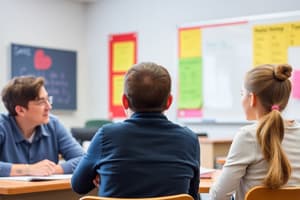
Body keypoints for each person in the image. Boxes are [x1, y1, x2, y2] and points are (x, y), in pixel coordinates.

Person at [71, 62, 200, 200]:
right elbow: (191, 194)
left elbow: (79, 185)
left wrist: (105, 177)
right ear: (169, 102)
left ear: (124, 102)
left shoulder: (106, 136)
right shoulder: (189, 140)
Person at [209, 64, 300, 200]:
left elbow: (218, 197)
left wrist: (218, 180)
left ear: (252, 98)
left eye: (242, 94)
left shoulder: (247, 136)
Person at [0, 76, 84, 177]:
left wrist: (50, 170)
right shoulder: (2, 126)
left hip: (45, 192)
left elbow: (82, 159)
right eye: (41, 102)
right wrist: (29, 169)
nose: (49, 107)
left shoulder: (53, 124)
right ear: (20, 110)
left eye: (48, 100)